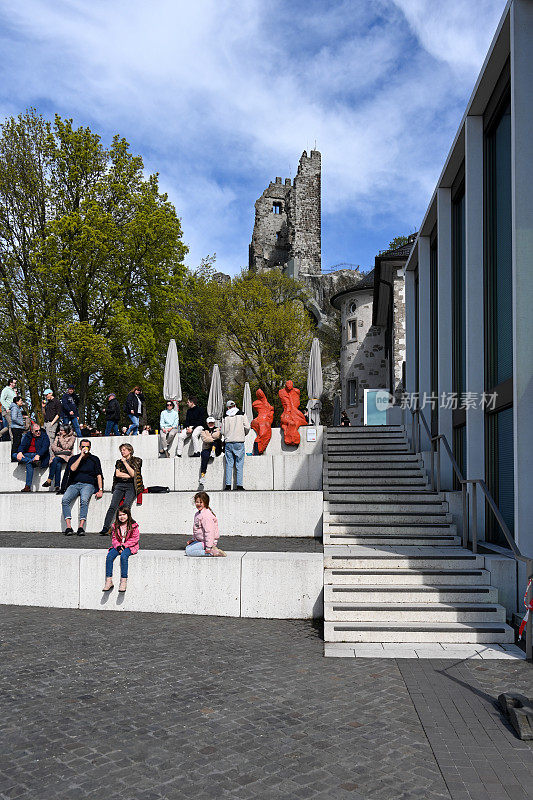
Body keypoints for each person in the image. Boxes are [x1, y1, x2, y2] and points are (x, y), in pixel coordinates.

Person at [61, 439, 103, 536]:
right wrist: (81, 456)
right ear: (80, 447)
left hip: (88, 484)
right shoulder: (74, 458)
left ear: (90, 447)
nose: (85, 448)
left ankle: (81, 527)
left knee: (84, 500)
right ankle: (68, 527)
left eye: (87, 446)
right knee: (65, 499)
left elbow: (99, 475)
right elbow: (72, 469)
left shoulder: (94, 459)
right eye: (83, 446)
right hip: (74, 484)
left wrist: (101, 489)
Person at [100, 443, 144, 535]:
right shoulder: (118, 462)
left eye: (124, 450)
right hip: (119, 484)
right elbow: (118, 474)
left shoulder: (137, 460)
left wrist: (125, 463)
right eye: (121, 450)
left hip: (131, 485)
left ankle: (124, 527)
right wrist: (129, 475)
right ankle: (105, 527)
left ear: (130, 450)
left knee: (126, 506)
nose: (122, 452)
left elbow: (133, 475)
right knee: (113, 506)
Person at [102, 507, 139, 593]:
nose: (122, 517)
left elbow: (135, 539)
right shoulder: (115, 526)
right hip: (118, 545)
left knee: (123, 556)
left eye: (124, 514)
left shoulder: (133, 525)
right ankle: (109, 580)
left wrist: (124, 545)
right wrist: (118, 546)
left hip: (130, 546)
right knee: (110, 556)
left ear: (128, 515)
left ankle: (123, 581)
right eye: (120, 515)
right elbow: (114, 539)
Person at [185, 492, 226, 557]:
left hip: (207, 542)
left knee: (188, 552)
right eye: (197, 502)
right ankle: (208, 550)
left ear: (205, 503)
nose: (198, 504)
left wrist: (208, 547)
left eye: (201, 502)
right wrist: (193, 540)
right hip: (201, 540)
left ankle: (212, 552)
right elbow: (197, 529)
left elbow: (209, 532)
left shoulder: (206, 516)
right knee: (187, 548)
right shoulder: (198, 514)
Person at [221, 400, 250, 491]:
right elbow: (247, 427)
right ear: (235, 405)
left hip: (229, 442)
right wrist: (242, 434)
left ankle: (228, 485)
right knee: (239, 464)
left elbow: (222, 431)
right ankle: (239, 485)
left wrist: (227, 435)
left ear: (228, 407)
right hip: (239, 442)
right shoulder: (242, 414)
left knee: (229, 464)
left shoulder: (225, 416)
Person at [16, 422, 50, 492]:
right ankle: (31, 460)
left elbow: (45, 447)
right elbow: (22, 445)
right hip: (28, 455)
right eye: (36, 431)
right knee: (14, 455)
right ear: (32, 431)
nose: (38, 432)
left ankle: (27, 486)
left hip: (38, 455)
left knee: (29, 464)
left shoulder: (44, 436)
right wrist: (20, 452)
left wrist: (38, 455)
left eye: (39, 430)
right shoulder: (28, 435)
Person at [43, 424, 76, 492]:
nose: (60, 431)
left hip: (66, 456)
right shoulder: (57, 436)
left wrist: (61, 439)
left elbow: (66, 447)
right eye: (60, 430)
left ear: (66, 431)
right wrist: (59, 449)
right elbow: (53, 446)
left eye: (62, 430)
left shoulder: (72, 437)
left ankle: (49, 479)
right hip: (58, 455)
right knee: (58, 464)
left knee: (55, 460)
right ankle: (57, 486)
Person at [199, 417, 223, 488]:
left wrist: (211, 437)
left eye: (212, 422)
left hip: (217, 449)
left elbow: (219, 436)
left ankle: (213, 451)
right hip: (207, 448)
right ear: (207, 423)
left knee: (216, 442)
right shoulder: (203, 430)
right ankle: (202, 475)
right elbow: (204, 439)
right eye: (209, 423)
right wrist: (213, 439)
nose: (211, 424)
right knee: (204, 457)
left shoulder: (218, 429)